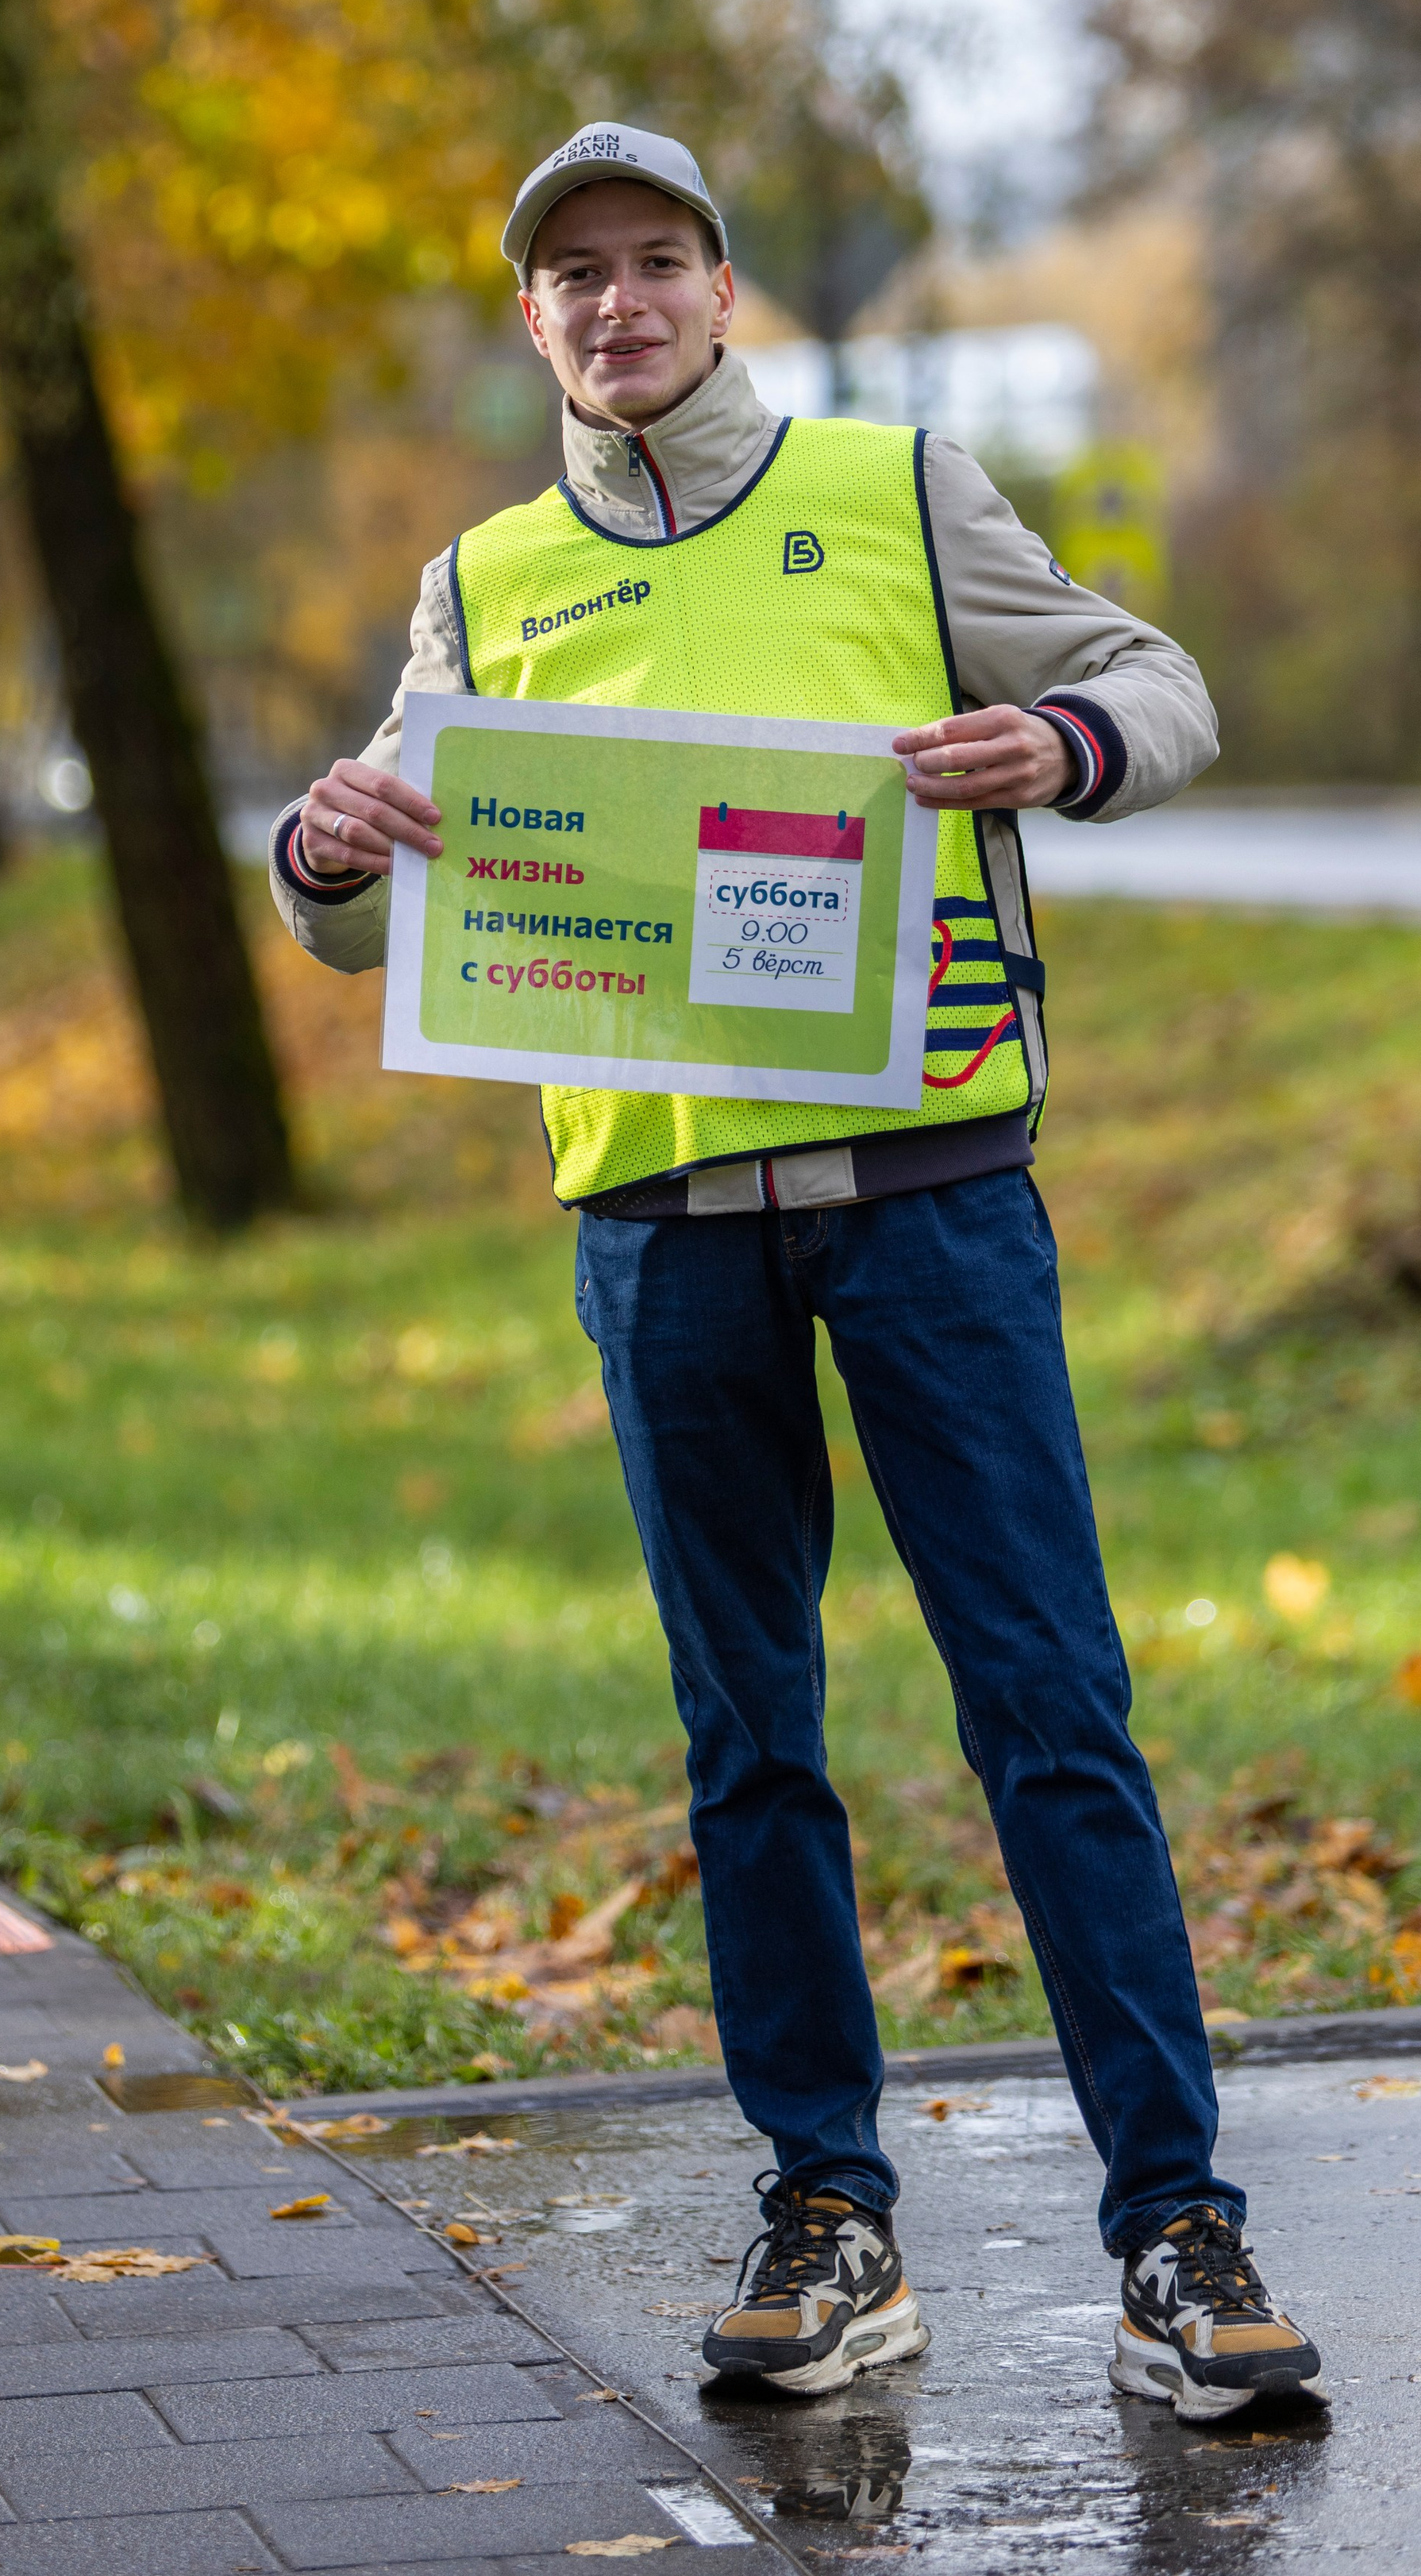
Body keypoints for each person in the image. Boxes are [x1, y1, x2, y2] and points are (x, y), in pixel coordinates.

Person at [267, 122, 1329, 2425]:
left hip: (933, 1196)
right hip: (657, 1235)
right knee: (751, 1744)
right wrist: (317, 840)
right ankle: (825, 2218)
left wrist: (1056, 739)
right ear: (533, 321)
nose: (620, 303)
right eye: (576, 277)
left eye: (659, 262)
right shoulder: (487, 575)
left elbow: (1165, 682)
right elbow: (373, 846)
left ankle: (1177, 2231)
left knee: (1052, 1712)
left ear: (727, 290)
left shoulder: (900, 490)